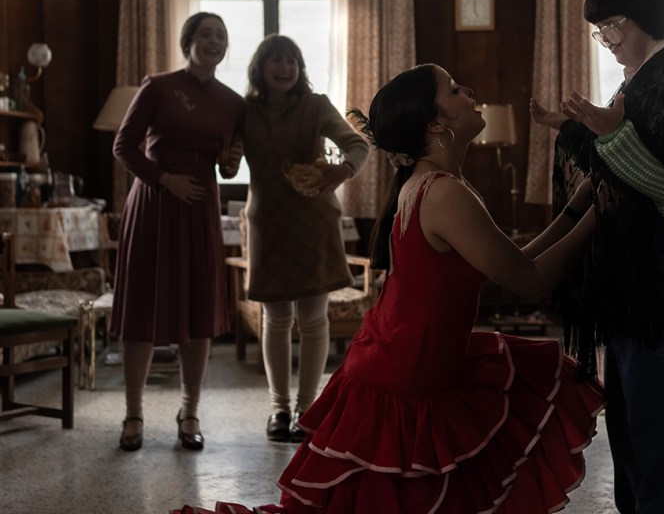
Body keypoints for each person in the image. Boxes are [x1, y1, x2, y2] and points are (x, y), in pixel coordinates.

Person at [173, 63, 605, 513]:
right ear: (434, 123)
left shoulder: (437, 183)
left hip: (403, 361)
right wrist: (601, 212)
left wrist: (578, 206)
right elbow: (531, 280)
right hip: (404, 374)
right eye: (454, 89)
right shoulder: (443, 192)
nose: (469, 90)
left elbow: (514, 262)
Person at [531, 0, 664, 513]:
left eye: (611, 24)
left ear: (644, 15)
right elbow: (616, 167)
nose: (607, 39)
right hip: (636, 273)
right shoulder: (643, 80)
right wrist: (579, 129)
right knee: (634, 428)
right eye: (600, 30)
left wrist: (605, 132)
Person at [111, 11, 245, 452]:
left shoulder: (233, 102)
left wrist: (230, 165)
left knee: (199, 308)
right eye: (205, 33)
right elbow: (123, 146)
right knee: (142, 306)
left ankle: (190, 412)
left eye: (221, 35)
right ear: (188, 42)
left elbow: (229, 164)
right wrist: (164, 179)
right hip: (154, 205)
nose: (214, 40)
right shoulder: (158, 86)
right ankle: (133, 413)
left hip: (201, 208)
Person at [241, 34, 370, 443]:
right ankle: (279, 409)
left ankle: (307, 409)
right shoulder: (244, 111)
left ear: (299, 68)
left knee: (313, 320)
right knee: (276, 319)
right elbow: (225, 159)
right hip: (267, 224)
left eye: (292, 61)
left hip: (313, 222)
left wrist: (344, 170)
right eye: (276, 60)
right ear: (260, 68)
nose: (285, 67)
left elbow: (357, 144)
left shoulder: (316, 105)